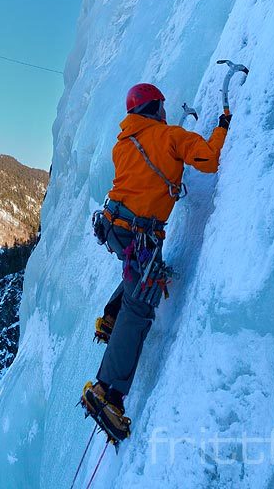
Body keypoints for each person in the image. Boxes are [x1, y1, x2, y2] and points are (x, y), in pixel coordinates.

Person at [81, 82, 231, 442]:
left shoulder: (123, 144)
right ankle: (107, 392)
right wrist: (222, 125)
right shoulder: (171, 137)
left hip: (114, 228)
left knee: (138, 275)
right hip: (141, 235)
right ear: (156, 108)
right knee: (141, 306)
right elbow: (209, 159)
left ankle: (111, 316)